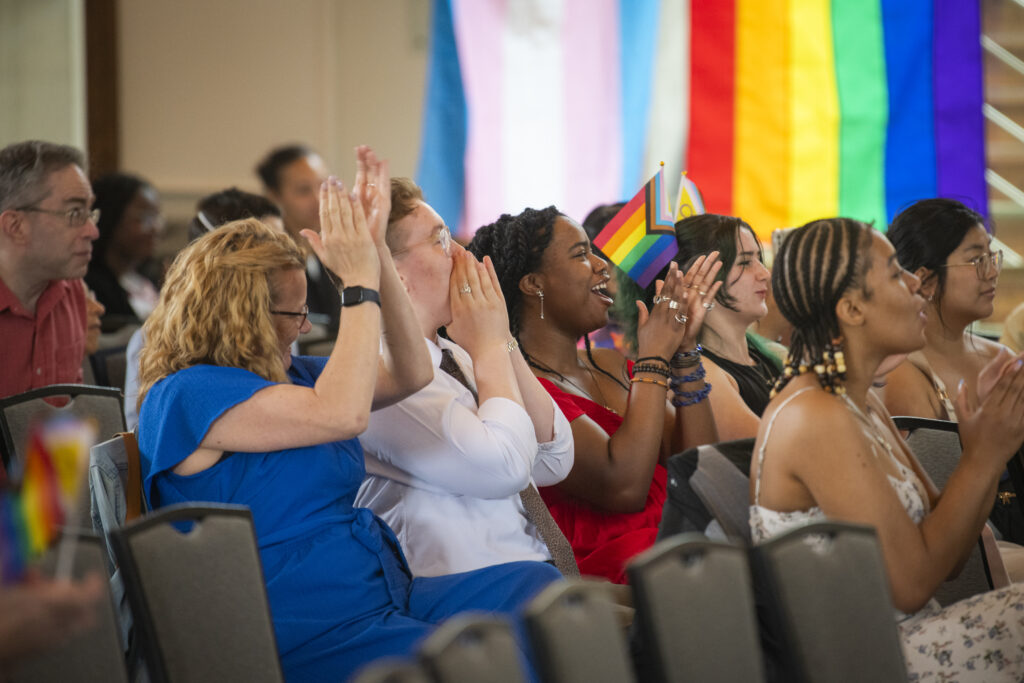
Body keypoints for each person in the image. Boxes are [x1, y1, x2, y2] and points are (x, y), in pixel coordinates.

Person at [136, 149, 559, 680]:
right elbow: (341, 414)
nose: (302, 326)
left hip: (380, 590)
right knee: (480, 664)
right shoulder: (187, 395)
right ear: (242, 316)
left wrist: (376, 256)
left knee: (533, 586)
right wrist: (357, 286)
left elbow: (411, 372)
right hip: (302, 623)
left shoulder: (293, 378)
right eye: (294, 312)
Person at [750, 217, 1024, 679]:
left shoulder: (858, 405)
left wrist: (985, 448)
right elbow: (912, 585)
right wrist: (982, 458)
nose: (918, 284)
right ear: (853, 310)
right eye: (897, 272)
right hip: (865, 660)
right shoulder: (815, 414)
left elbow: (952, 560)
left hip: (908, 636)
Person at [469, 207, 721, 583]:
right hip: (614, 569)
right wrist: (653, 358)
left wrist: (684, 353)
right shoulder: (519, 386)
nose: (602, 265)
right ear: (534, 283)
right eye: (581, 254)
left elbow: (699, 468)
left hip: (681, 537)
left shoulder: (610, 362)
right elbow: (623, 487)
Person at [356, 178, 575, 578]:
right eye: (440, 240)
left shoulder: (457, 350)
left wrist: (501, 337)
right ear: (395, 276)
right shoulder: (383, 373)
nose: (461, 253)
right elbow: (507, 468)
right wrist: (490, 346)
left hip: (528, 574)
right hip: (464, 594)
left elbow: (553, 459)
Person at [122, 188, 284, 430]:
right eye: (270, 254)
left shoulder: (283, 318)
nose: (286, 263)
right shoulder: (155, 341)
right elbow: (142, 432)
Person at [616, 214, 781, 439]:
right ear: (693, 279)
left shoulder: (772, 353)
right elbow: (776, 451)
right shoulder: (704, 374)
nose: (764, 274)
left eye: (759, 259)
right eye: (744, 262)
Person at [882, 199, 1008, 423]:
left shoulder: (1002, 360)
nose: (992, 273)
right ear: (924, 280)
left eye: (991, 257)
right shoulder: (898, 373)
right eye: (977, 260)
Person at [0, 140, 97, 399]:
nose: (92, 231)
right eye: (74, 213)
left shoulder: (71, 290)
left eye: (90, 213)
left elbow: (64, 420)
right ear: (16, 226)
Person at [255, 143, 339, 331]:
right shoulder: (270, 260)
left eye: (322, 185)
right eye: (303, 190)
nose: (318, 199)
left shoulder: (331, 246)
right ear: (275, 196)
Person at [84, 173, 163, 332]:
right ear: (111, 217)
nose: (155, 228)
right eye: (145, 218)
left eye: (156, 217)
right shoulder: (93, 288)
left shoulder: (147, 279)